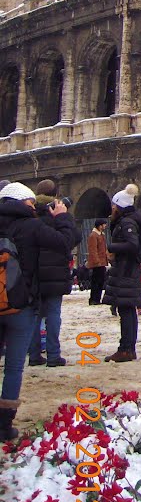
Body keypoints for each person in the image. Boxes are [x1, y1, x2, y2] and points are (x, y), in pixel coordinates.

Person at [0, 183, 78, 440]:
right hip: (22, 303)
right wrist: (62, 217)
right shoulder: (31, 226)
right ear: (22, 203)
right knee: (13, 367)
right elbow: (66, 242)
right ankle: (4, 425)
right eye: (32, 203)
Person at [27, 192, 81, 367]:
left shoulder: (32, 224)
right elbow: (74, 238)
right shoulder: (58, 223)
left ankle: (34, 354)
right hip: (55, 277)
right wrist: (64, 217)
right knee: (53, 315)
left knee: (35, 316)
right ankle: (53, 355)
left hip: (35, 276)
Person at [102, 188, 141, 362]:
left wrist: (112, 247)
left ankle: (126, 349)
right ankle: (128, 348)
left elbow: (132, 245)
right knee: (127, 309)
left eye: (114, 204)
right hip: (127, 269)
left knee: (126, 310)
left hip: (126, 270)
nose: (112, 208)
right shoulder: (129, 220)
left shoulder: (127, 222)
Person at [86, 217, 109, 305]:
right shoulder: (93, 235)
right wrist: (97, 261)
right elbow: (93, 250)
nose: (105, 226)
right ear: (100, 226)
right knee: (96, 281)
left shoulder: (101, 235)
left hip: (102, 262)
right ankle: (93, 299)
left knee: (100, 281)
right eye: (104, 224)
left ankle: (97, 299)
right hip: (97, 263)